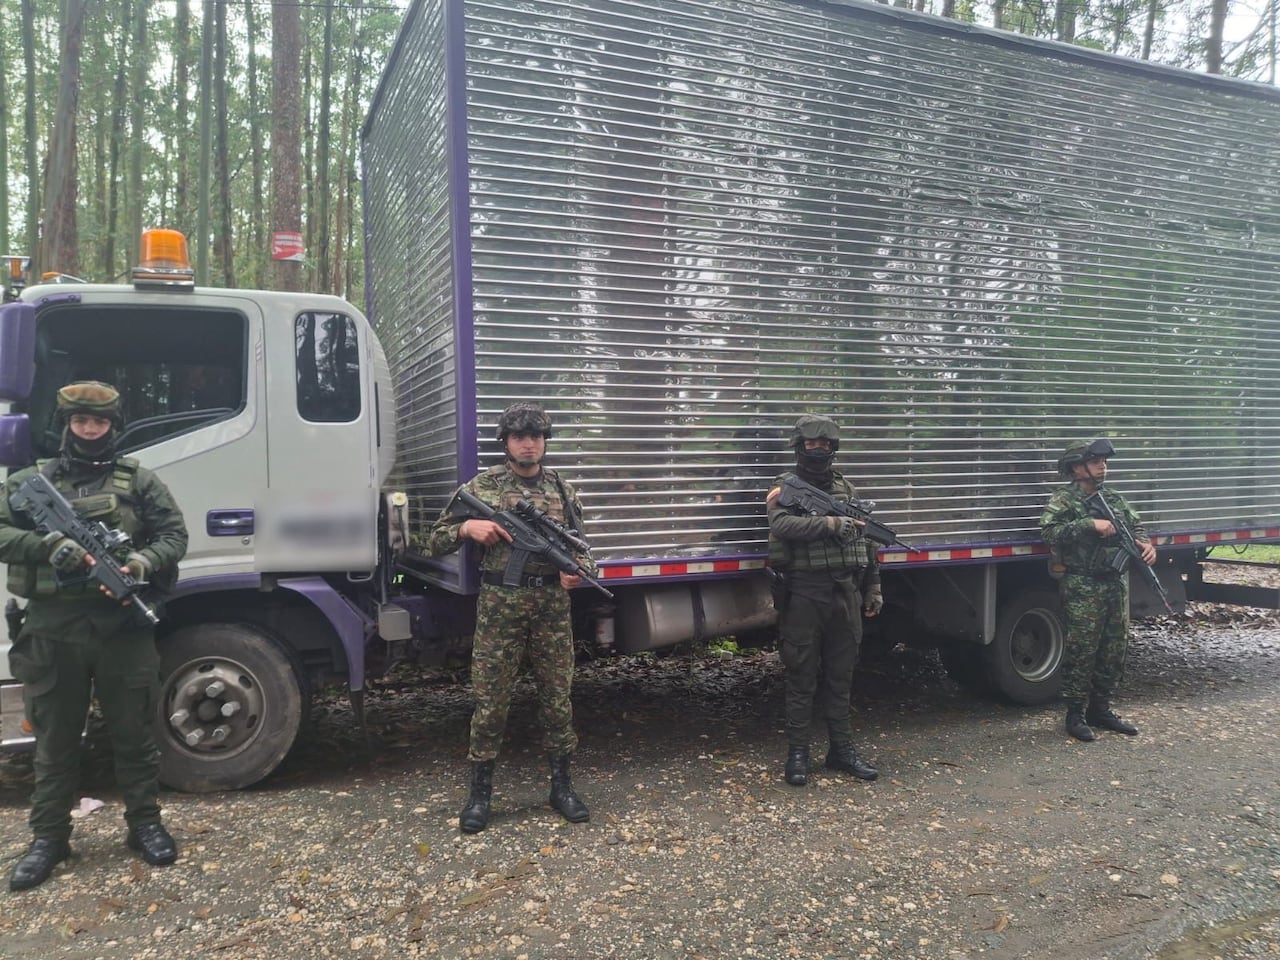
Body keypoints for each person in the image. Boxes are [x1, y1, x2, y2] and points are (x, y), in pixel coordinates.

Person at [1, 381, 188, 892]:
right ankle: (49, 838)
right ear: (66, 425)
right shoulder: (29, 481)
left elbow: (174, 535)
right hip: (53, 631)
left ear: (113, 426)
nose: (90, 431)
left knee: (134, 734)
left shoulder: (138, 481)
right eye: (81, 422)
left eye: (99, 423)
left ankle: (145, 824)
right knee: (55, 740)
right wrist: (45, 546)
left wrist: (140, 561)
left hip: (121, 631)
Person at [426, 402, 594, 833]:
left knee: (557, 698)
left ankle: (562, 786)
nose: (528, 444)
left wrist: (579, 575)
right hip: (501, 603)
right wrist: (467, 529)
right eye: (520, 436)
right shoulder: (483, 487)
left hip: (552, 607)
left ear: (544, 442)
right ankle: (480, 795)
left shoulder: (562, 490)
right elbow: (433, 540)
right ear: (506, 442)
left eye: (536, 436)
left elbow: (582, 549)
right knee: (491, 702)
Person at [766, 414, 881, 787]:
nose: (819, 451)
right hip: (804, 592)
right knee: (801, 676)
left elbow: (868, 544)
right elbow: (781, 525)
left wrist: (873, 589)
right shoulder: (786, 487)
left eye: (825, 445)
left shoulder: (846, 490)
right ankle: (798, 753)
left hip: (845, 593)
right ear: (800, 448)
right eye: (812, 445)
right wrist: (830, 525)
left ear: (834, 448)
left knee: (841, 677)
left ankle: (841, 750)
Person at [1041, 437, 1154, 742]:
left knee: (1114, 647)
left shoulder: (1114, 499)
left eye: (1103, 462)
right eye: (1095, 463)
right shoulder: (1064, 500)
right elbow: (1049, 532)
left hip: (1114, 582)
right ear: (1077, 468)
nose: (1102, 467)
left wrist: (1146, 544)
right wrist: (1089, 525)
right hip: (1082, 584)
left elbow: (1137, 526)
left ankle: (1100, 709)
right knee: (1082, 649)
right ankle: (1075, 714)